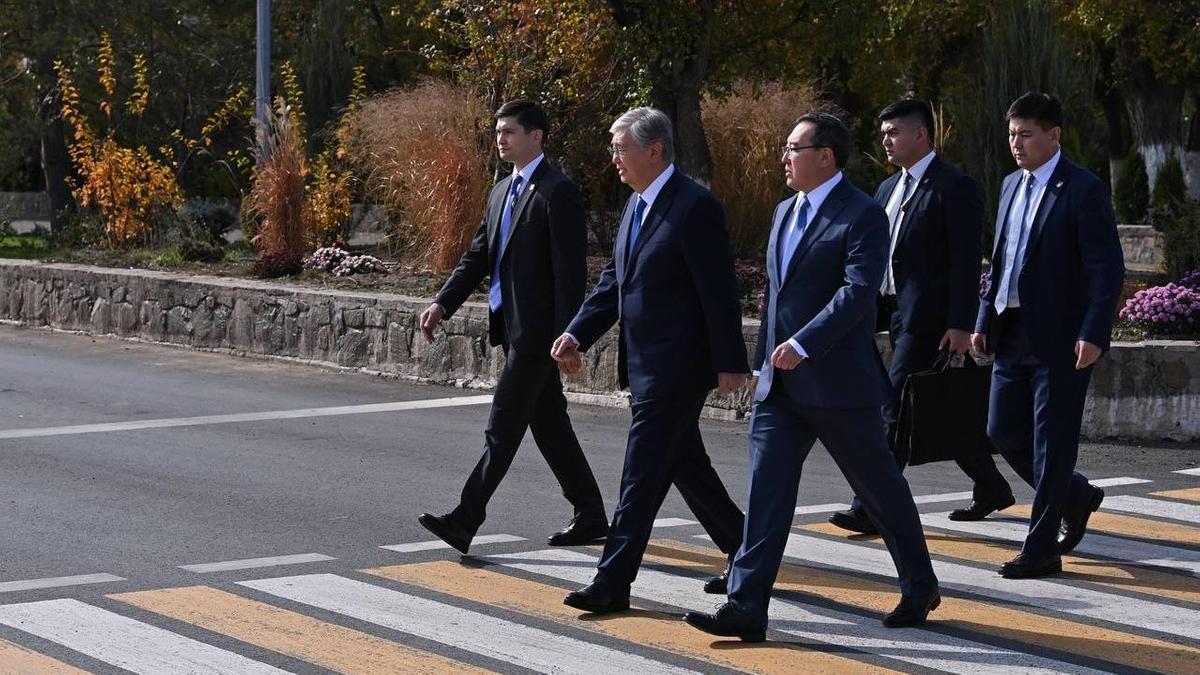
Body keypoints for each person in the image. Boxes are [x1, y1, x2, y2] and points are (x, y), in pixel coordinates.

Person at [684, 113, 940, 641]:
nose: (784, 157)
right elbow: (774, 299)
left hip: (840, 385)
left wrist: (804, 343)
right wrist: (760, 364)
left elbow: (858, 291)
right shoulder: (783, 210)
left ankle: (920, 584)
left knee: (880, 491)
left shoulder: (862, 214)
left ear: (826, 156)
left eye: (793, 148)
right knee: (766, 494)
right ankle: (747, 605)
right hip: (780, 389)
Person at [550, 107, 748, 614]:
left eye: (620, 148)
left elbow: (719, 292)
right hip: (644, 365)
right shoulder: (636, 207)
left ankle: (613, 581)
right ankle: (748, 549)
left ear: (654, 150)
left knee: (639, 476)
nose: (613, 158)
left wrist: (730, 361)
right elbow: (614, 285)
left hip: (677, 368)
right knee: (686, 466)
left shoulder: (693, 206)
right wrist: (576, 332)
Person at [416, 99, 608, 554]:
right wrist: (443, 302)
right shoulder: (502, 190)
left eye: (510, 132)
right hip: (514, 328)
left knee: (502, 426)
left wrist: (570, 336)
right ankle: (591, 514)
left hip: (540, 336)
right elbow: (479, 256)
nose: (501, 140)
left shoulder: (557, 191)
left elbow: (569, 274)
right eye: (498, 133)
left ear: (536, 136)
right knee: (549, 425)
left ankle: (465, 519)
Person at [829, 99, 1014, 535]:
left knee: (892, 408)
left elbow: (966, 260)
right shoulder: (886, 190)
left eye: (893, 132)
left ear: (921, 135)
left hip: (929, 319)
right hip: (887, 312)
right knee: (935, 408)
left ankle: (870, 505)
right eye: (883, 133)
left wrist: (961, 323)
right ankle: (990, 485)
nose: (886, 141)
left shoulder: (954, 186)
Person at [971, 92, 1124, 579]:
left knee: (1052, 445)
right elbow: (1001, 261)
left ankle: (1041, 550)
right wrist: (982, 318)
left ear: (1054, 136)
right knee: (1000, 430)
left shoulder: (1083, 188)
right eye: (1012, 133)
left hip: (1061, 339)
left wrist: (1094, 331)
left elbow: (1107, 269)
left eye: (1027, 134)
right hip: (1011, 331)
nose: (1016, 143)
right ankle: (1075, 495)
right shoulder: (1010, 184)